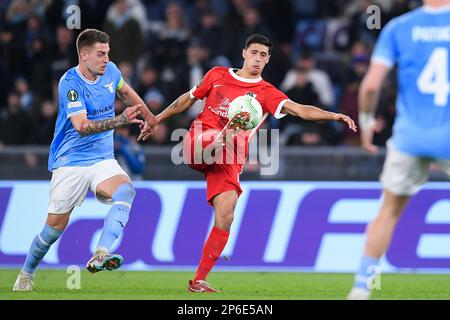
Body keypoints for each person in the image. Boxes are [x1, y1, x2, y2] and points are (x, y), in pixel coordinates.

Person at [139, 33, 357, 293]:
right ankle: (221, 137)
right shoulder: (217, 75)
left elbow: (299, 110)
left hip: (229, 158)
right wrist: (156, 119)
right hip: (200, 141)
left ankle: (198, 280)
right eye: (254, 52)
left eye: (263, 55)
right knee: (211, 139)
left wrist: (334, 115)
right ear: (244, 53)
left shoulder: (267, 93)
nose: (257, 58)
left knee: (226, 215)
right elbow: (186, 99)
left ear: (268, 60)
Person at [13, 28, 157, 291]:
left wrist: (151, 118)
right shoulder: (69, 83)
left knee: (126, 191)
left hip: (102, 159)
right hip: (70, 162)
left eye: (107, 54)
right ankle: (26, 273)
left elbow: (126, 93)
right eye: (101, 54)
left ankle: (101, 253)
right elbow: (81, 126)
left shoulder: (111, 71)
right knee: (52, 231)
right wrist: (120, 120)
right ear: (84, 55)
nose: (106, 59)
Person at [348, 0, 450, 300]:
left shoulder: (398, 27)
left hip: (409, 137)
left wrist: (366, 121)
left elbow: (369, 87)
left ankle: (361, 288)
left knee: (388, 212)